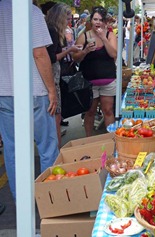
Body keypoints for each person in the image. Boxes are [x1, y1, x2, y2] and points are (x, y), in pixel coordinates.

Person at [0, 1, 59, 200]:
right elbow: (40, 54)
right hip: (34, 89)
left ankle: (22, 202)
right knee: (47, 147)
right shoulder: (30, 11)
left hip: (5, 92)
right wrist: (52, 89)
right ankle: (50, 200)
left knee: (13, 150)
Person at [72, 6, 117, 137]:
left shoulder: (110, 35)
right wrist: (85, 51)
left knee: (107, 110)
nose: (98, 22)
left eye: (101, 20)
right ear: (91, 20)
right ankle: (89, 139)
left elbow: (113, 54)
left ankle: (111, 139)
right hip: (89, 81)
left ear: (105, 22)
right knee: (90, 111)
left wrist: (103, 38)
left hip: (108, 79)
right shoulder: (84, 36)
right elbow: (76, 58)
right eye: (95, 19)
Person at [45, 3, 80, 148]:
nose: (68, 22)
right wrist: (69, 50)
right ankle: (56, 150)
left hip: (53, 77)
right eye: (67, 18)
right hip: (52, 78)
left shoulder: (51, 29)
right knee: (56, 115)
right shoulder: (53, 31)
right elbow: (52, 57)